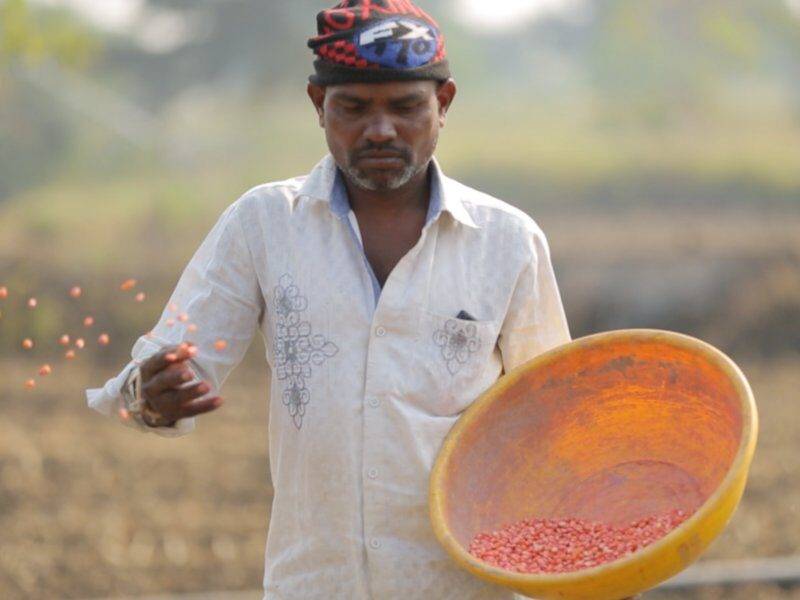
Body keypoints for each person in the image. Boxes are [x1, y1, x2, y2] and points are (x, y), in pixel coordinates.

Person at [86, 1, 572, 598]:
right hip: (315, 583)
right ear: (319, 106)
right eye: (354, 107)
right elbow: (165, 366)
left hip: (464, 584)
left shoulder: (507, 241)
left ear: (443, 104)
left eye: (405, 106)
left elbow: (554, 419)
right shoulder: (264, 224)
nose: (380, 130)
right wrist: (152, 398)